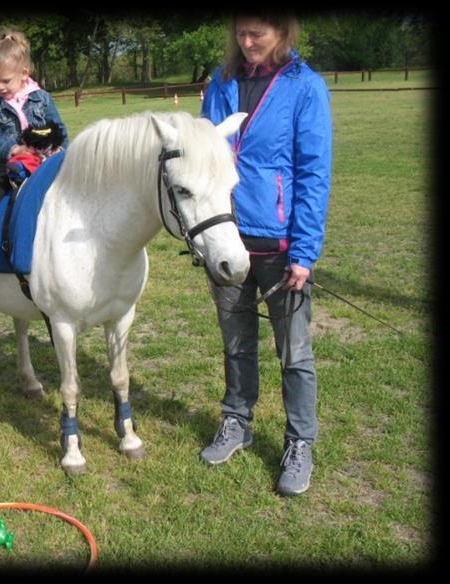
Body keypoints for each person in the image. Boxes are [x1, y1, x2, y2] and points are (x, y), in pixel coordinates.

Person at [199, 13, 332, 496]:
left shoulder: (305, 87)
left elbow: (314, 172)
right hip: (226, 241)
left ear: (283, 31)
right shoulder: (221, 82)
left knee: (294, 353)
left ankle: (300, 442)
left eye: (259, 32)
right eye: (241, 31)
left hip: (279, 247)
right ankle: (237, 420)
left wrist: (304, 251)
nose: (248, 41)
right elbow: (202, 157)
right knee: (236, 343)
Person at [0, 30, 69, 282]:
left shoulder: (42, 98)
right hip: (7, 168)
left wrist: (60, 149)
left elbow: (59, 129)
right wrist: (13, 149)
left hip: (44, 165)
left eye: (5, 81)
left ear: (24, 74)